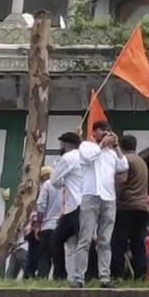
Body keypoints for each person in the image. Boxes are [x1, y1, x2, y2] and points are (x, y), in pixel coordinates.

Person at [67, 121, 127, 288]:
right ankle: (79, 277)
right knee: (85, 239)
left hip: (109, 198)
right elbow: (88, 157)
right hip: (90, 196)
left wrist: (116, 146)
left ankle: (105, 277)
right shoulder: (86, 146)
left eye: (109, 131)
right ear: (94, 132)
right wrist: (101, 145)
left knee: (105, 240)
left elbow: (123, 166)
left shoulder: (112, 154)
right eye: (103, 130)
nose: (107, 133)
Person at [110, 135, 149, 280]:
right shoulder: (141, 162)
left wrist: (115, 195)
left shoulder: (126, 161)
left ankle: (117, 275)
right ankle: (141, 275)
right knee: (138, 244)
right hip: (142, 208)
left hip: (127, 206)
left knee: (118, 242)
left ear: (121, 145)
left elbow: (122, 180)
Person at [49, 132, 85, 282]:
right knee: (85, 242)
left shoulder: (67, 158)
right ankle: (90, 275)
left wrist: (64, 180)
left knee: (57, 240)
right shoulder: (86, 157)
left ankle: (60, 275)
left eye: (61, 145)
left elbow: (55, 181)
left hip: (74, 206)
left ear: (66, 144)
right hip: (86, 204)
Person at [26, 166, 57, 279]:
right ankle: (57, 278)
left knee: (40, 256)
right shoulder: (61, 185)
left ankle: (38, 277)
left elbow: (40, 207)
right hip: (58, 225)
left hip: (43, 225)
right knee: (56, 255)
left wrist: (36, 225)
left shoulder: (43, 188)